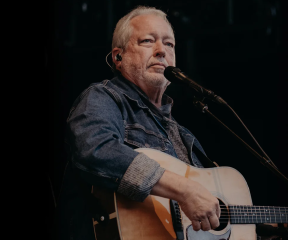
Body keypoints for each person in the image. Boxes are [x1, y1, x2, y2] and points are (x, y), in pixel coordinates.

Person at [55, 6, 220, 240]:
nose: (162, 51)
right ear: (118, 57)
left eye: (169, 44)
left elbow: (208, 212)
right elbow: (95, 150)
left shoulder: (184, 136)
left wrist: (270, 227)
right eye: (147, 41)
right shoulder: (103, 98)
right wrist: (184, 189)